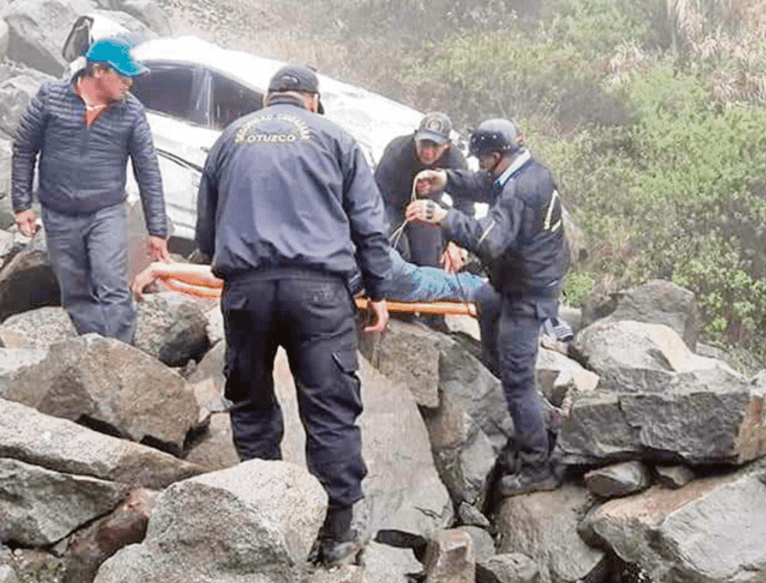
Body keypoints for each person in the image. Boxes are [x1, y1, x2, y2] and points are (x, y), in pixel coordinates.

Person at [195, 64, 392, 567]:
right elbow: (370, 226)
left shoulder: (229, 139)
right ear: (314, 102)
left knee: (251, 398)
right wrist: (379, 292)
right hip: (320, 294)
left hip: (247, 291)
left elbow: (204, 234)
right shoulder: (337, 139)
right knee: (329, 407)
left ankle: (266, 511)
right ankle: (337, 530)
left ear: (267, 99)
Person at [405, 118, 570, 496]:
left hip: (527, 290)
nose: (479, 165)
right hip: (514, 280)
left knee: (518, 377)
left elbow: (490, 240)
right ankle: (505, 382)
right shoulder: (520, 170)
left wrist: (443, 217)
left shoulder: (522, 190)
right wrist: (446, 181)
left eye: (482, 159)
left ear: (497, 155)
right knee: (483, 300)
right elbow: (484, 185)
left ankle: (536, 465)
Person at [11, 36, 171, 345]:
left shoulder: (132, 113)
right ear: (99, 72)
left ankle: (124, 356)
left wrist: (157, 230)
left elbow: (148, 170)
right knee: (74, 293)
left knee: (111, 284)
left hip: (106, 211)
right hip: (57, 212)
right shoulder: (50, 97)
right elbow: (23, 148)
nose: (129, 84)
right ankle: (97, 354)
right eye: (123, 76)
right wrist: (22, 205)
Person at [133, 246, 486, 305]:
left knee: (436, 286)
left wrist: (165, 269)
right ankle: (483, 286)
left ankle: (487, 290)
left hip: (376, 269)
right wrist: (165, 270)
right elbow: (218, 277)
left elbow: (218, 278)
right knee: (433, 281)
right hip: (367, 259)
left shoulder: (269, 258)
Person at [373, 112, 473, 271]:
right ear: (415, 137)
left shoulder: (455, 160)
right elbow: (374, 197)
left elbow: (466, 208)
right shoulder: (397, 150)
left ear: (447, 145)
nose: (428, 152)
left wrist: (457, 244)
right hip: (393, 206)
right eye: (424, 143)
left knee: (429, 264)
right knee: (395, 253)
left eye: (435, 146)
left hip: (428, 210)